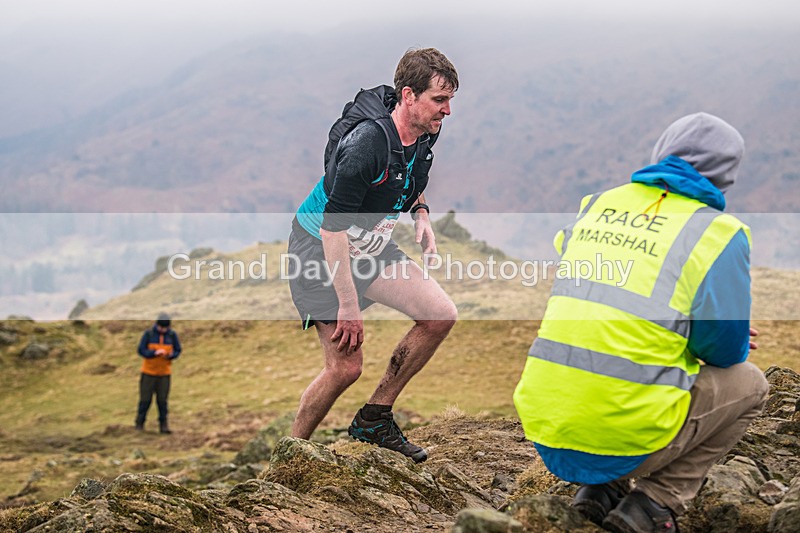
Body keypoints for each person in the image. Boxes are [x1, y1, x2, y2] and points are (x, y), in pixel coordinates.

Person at [513, 112, 770, 533]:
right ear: (726, 176)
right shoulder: (718, 233)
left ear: (661, 154)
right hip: (624, 439)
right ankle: (654, 505)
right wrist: (715, 325)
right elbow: (723, 351)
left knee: (623, 359)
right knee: (752, 383)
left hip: (547, 426)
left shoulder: (596, 205)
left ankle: (599, 492)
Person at [287, 48, 459, 463]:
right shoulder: (366, 145)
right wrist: (348, 305)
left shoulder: (425, 129)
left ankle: (374, 419)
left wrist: (420, 214)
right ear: (408, 95)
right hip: (321, 249)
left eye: (450, 100)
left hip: (370, 243)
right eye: (439, 100)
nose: (448, 111)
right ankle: (291, 455)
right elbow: (333, 231)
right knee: (345, 368)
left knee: (440, 315)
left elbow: (411, 171)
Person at [135, 312, 182, 434]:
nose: (163, 330)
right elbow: (141, 350)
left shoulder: (172, 335)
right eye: (161, 327)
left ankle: (163, 425)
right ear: (157, 325)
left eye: (166, 328)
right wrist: (153, 353)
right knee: (145, 400)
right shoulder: (148, 334)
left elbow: (178, 350)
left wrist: (170, 355)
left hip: (164, 374)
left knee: (162, 401)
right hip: (148, 373)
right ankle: (140, 423)